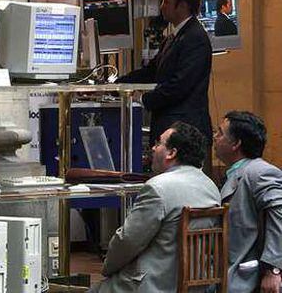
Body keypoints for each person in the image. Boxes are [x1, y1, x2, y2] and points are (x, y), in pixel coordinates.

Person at [89, 122, 220, 292]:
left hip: (154, 284)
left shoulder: (158, 187)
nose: (152, 147)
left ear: (172, 153)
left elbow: (128, 241)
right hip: (197, 286)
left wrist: (107, 268)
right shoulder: (210, 187)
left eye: (159, 143)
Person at [117, 0, 213, 150]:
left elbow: (179, 85)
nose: (162, 7)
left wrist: (143, 100)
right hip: (171, 127)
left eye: (166, 2)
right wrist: (117, 84)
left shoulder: (195, 38)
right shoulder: (174, 37)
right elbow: (152, 71)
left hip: (185, 133)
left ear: (182, 6)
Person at [214, 111, 282, 293]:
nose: (215, 137)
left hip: (249, 278)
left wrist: (274, 269)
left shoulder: (259, 172)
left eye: (220, 133)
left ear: (236, 144)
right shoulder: (237, 173)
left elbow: (280, 216)